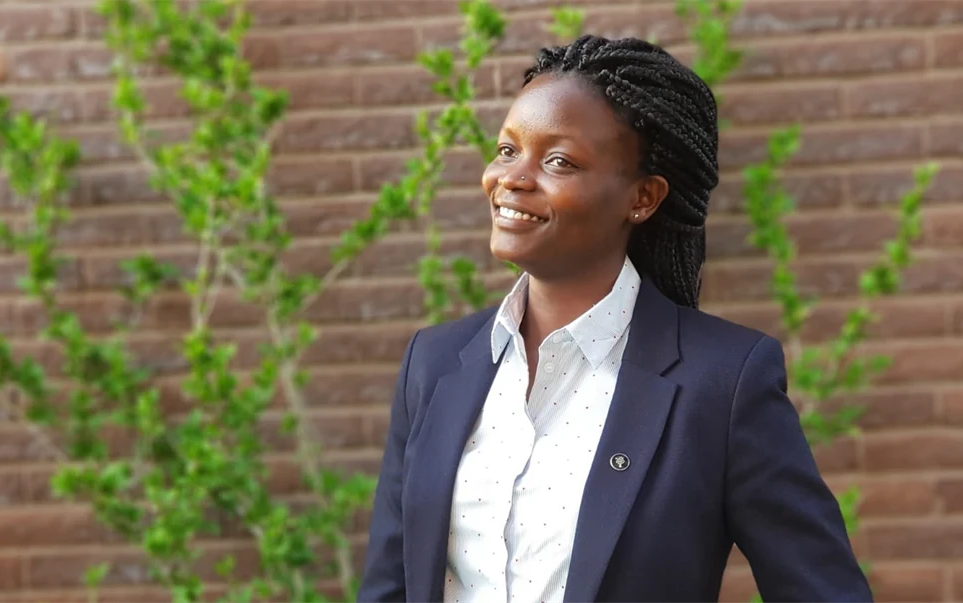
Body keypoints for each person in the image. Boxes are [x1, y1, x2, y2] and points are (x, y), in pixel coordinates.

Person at [357, 35, 871, 603]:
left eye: (559, 161)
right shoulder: (433, 364)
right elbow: (390, 586)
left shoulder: (721, 383)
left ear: (643, 197)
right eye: (507, 150)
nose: (513, 178)